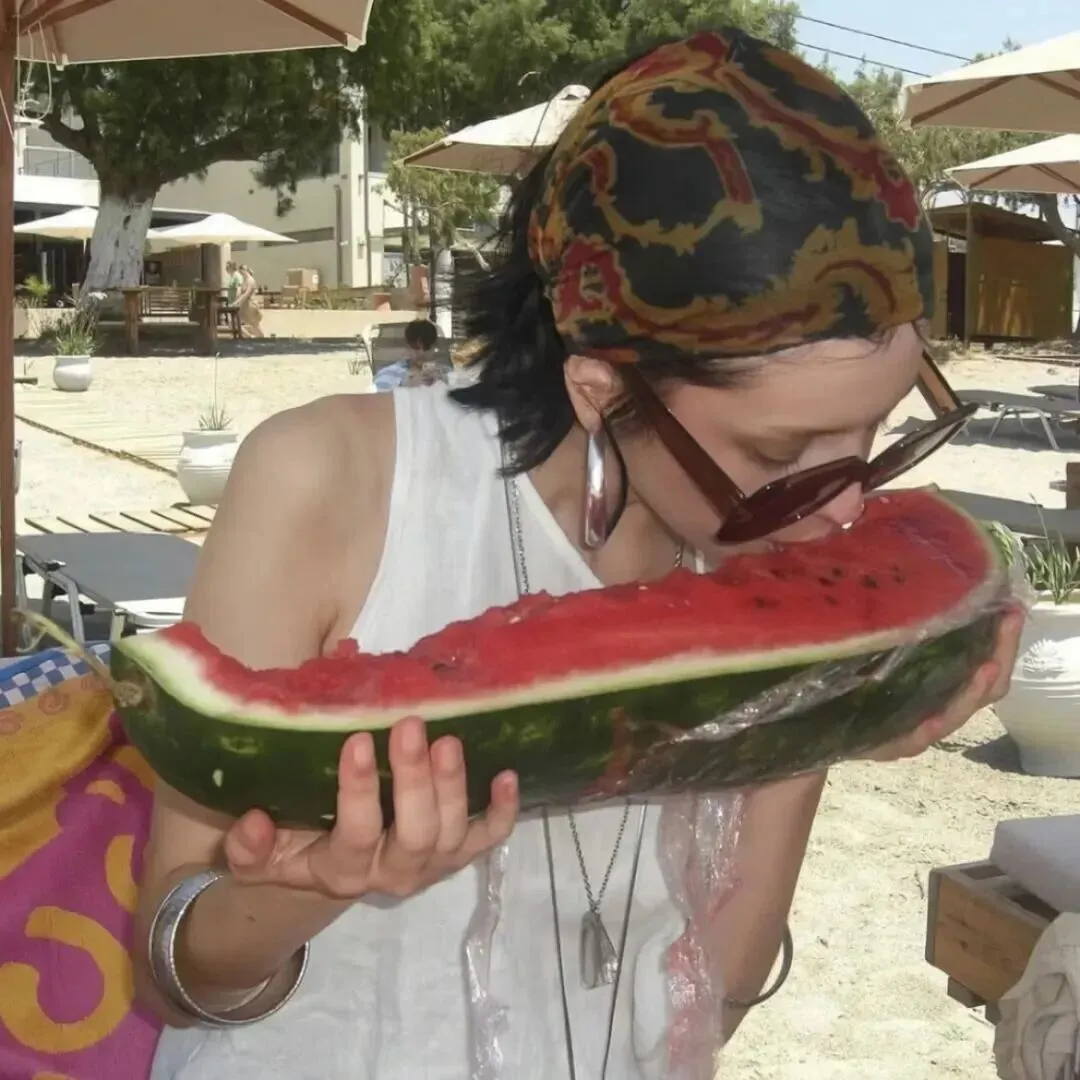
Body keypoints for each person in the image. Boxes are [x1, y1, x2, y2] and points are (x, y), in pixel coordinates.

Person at [137, 28, 1024, 1080]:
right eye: (781, 454)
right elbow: (173, 974)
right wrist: (312, 887)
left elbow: (711, 1003)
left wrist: (827, 714)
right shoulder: (327, 479)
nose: (844, 509)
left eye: (878, 434)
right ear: (602, 389)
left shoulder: (756, 554)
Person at [373, 317, 445, 391]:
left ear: (434, 347)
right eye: (416, 347)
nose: (421, 353)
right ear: (407, 347)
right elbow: (378, 395)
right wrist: (404, 385)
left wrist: (442, 383)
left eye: (427, 347)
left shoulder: (445, 373)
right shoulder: (388, 374)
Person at [236, 264, 263, 339]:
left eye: (241, 272)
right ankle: (257, 337)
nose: (241, 274)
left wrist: (237, 302)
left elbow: (246, 294)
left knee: (254, 324)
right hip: (246, 305)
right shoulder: (245, 280)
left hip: (250, 305)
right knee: (254, 324)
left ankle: (254, 337)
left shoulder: (250, 280)